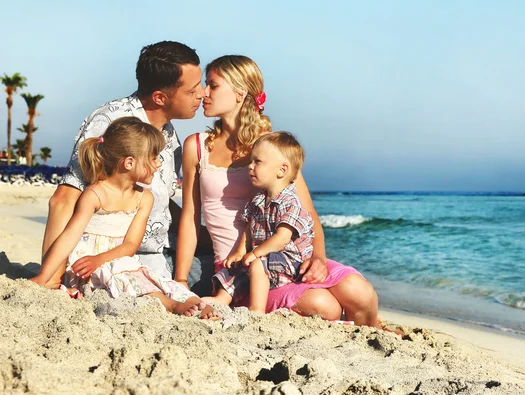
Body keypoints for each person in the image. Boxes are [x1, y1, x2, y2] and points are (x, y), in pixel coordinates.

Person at [175, 55, 379, 326]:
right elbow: (190, 218)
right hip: (244, 270)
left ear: (239, 93)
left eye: (212, 85)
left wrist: (317, 257)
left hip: (290, 257)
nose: (203, 93)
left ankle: (373, 332)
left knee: (360, 291)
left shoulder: (271, 148)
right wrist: (179, 280)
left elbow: (306, 211)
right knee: (324, 306)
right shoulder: (196, 146)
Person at [40, 41, 211, 291]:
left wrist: (207, 238)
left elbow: (158, 204)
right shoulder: (113, 123)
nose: (203, 93)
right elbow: (64, 199)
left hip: (161, 252)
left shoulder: (170, 134)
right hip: (115, 262)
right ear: (160, 97)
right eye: (192, 89)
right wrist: (52, 282)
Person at [31, 117, 215, 318]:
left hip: (121, 259)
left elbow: (130, 245)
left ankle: (194, 302)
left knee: (153, 278)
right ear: (129, 163)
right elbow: (68, 237)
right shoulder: (95, 194)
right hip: (89, 267)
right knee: (122, 272)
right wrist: (44, 276)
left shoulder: (144, 198)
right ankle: (170, 305)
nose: (158, 163)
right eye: (153, 158)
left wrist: (102, 259)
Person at [210, 131, 314, 313]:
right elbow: (249, 229)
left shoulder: (291, 203)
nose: (250, 167)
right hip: (265, 258)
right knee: (236, 267)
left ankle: (256, 310)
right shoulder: (257, 200)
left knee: (257, 263)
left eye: (257, 162)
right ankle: (220, 301)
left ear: (282, 170)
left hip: (290, 262)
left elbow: (282, 238)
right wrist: (240, 252)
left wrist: (255, 253)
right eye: (251, 161)